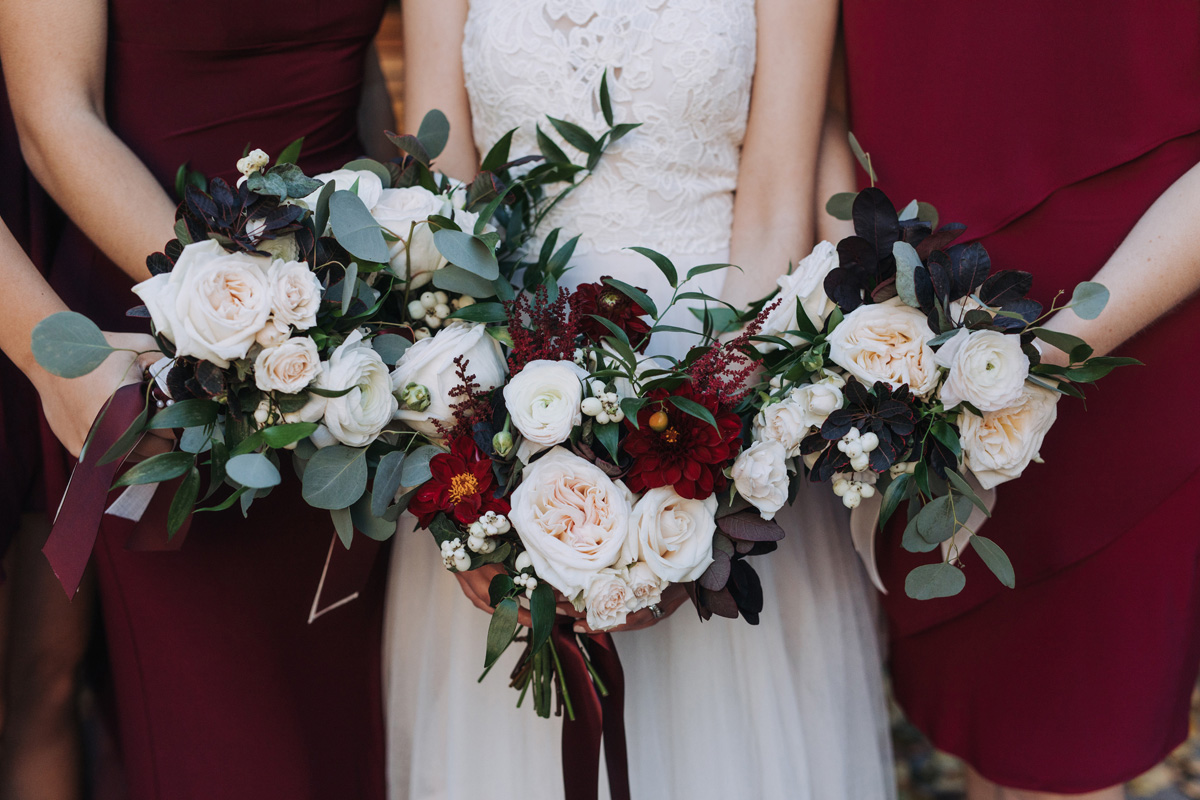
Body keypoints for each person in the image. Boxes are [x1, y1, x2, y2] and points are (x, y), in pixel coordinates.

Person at [383, 2, 896, 798]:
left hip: (717, 384)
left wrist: (697, 475)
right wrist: (481, 477)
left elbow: (772, 208)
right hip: (503, 401)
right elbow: (441, 200)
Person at [0, 1, 396, 797]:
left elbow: (354, 95)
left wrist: (400, 264)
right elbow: (54, 115)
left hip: (355, 343)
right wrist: (252, 309)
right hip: (160, 340)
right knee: (213, 740)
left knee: (344, 721)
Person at [833, 2, 1200, 798]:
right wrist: (880, 328)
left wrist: (1029, 366)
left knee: (1068, 748)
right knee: (981, 731)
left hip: (1144, 328)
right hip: (909, 347)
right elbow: (824, 98)